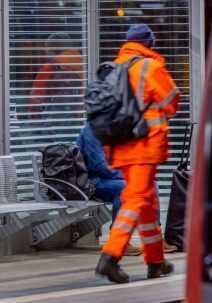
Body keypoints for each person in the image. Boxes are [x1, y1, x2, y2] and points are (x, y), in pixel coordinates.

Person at [95, 24, 181, 284]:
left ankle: (155, 262)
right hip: (144, 146)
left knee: (147, 204)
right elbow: (172, 101)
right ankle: (110, 257)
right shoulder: (149, 67)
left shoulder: (113, 67)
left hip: (120, 147)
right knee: (136, 200)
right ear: (149, 43)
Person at [76, 124, 142, 256]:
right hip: (94, 182)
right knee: (125, 188)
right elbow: (99, 166)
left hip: (111, 178)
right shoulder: (92, 131)